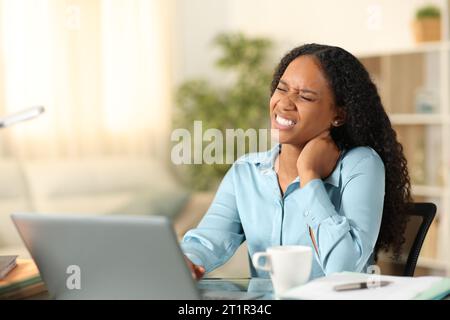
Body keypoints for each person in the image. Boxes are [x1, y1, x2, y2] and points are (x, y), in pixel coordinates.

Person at [181, 44, 411, 280]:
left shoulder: (360, 164)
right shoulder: (246, 172)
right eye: (281, 89)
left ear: (338, 115)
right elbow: (208, 241)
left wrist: (309, 175)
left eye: (305, 96)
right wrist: (186, 261)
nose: (285, 103)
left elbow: (343, 269)